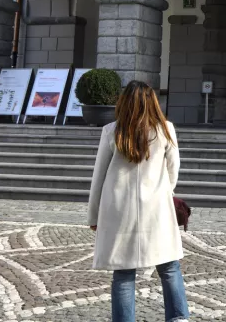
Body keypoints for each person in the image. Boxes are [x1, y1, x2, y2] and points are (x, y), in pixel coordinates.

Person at [88, 80, 189, 322]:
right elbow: (174, 169)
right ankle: (178, 318)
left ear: (124, 102)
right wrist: (164, 191)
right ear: (153, 102)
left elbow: (98, 176)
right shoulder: (165, 129)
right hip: (157, 208)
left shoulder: (112, 130)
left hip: (118, 209)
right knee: (168, 266)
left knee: (123, 273)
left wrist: (93, 216)